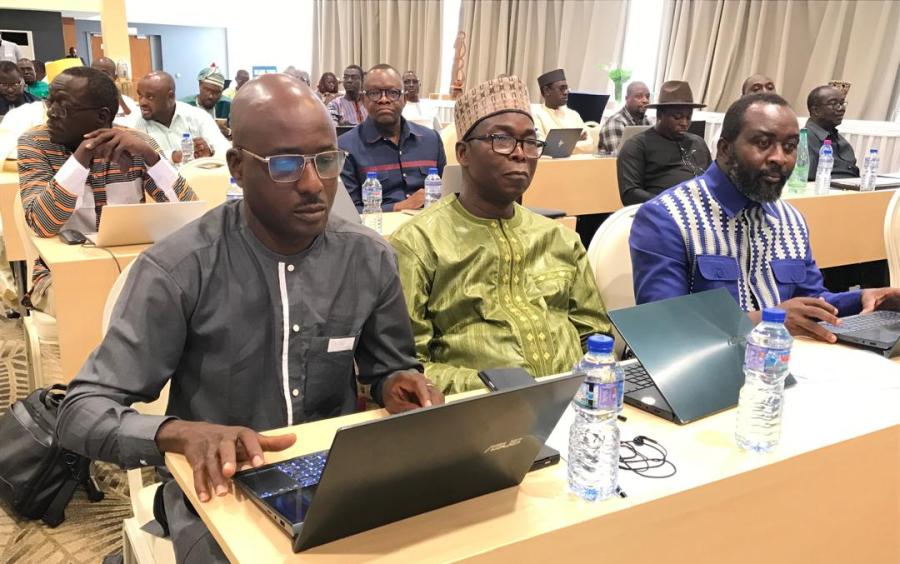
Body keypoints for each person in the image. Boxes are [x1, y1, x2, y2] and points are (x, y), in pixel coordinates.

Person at [56, 73, 442, 563]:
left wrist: (397, 384)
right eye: (285, 165)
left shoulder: (368, 257)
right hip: (220, 487)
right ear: (238, 167)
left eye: (326, 161)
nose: (313, 185)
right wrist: (180, 433)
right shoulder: (181, 267)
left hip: (338, 476)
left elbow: (391, 367)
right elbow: (81, 411)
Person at [389, 76, 612, 393]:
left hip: (576, 405)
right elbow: (406, 369)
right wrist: (496, 387)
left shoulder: (559, 238)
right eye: (502, 139)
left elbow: (596, 336)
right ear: (463, 153)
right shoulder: (418, 243)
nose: (520, 154)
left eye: (530, 142)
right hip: (478, 413)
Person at [630, 92, 900, 342]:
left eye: (790, 146)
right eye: (763, 143)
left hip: (782, 363)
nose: (780, 158)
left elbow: (811, 301)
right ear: (724, 149)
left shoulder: (791, 220)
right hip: (703, 370)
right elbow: (665, 326)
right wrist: (770, 321)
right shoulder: (667, 217)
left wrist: (864, 298)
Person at [16, 67, 196, 314]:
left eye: (63, 106)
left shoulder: (136, 145)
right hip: (58, 275)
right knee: (94, 305)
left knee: (184, 298)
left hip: (134, 269)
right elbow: (42, 223)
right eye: (50, 102)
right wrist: (81, 158)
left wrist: (151, 158)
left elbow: (190, 215)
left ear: (102, 116)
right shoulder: (35, 144)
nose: (52, 113)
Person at [339, 64, 445, 212]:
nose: (384, 100)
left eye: (393, 93)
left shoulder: (431, 140)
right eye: (374, 93)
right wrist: (398, 207)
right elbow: (348, 211)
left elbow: (448, 194)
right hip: (377, 225)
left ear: (404, 98)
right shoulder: (345, 147)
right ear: (363, 99)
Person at [616, 80, 711, 205]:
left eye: (688, 117)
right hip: (660, 211)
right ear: (660, 115)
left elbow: (712, 180)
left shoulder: (698, 142)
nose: (684, 123)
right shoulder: (637, 145)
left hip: (703, 210)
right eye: (677, 117)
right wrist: (670, 204)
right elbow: (630, 194)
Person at [134, 71, 230, 163]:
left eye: (150, 97)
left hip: (199, 173)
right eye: (140, 95)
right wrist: (175, 156)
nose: (142, 102)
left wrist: (210, 153)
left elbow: (225, 151)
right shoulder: (136, 124)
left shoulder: (197, 116)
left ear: (170, 96)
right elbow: (142, 162)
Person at [532, 68, 594, 154]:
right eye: (561, 89)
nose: (566, 92)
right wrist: (575, 141)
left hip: (577, 161)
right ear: (547, 91)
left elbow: (590, 145)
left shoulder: (573, 115)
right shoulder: (536, 114)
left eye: (566, 88)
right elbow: (542, 149)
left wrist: (561, 146)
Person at [805, 85, 859, 180]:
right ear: (816, 110)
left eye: (842, 103)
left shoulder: (841, 140)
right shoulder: (804, 140)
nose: (841, 108)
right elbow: (807, 180)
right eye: (833, 104)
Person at [598, 81, 651, 154]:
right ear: (627, 98)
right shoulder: (615, 122)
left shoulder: (647, 121)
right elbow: (621, 157)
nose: (645, 100)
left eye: (647, 96)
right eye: (639, 96)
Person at [91, 56, 140, 127]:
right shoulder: (82, 99)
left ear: (115, 77)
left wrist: (121, 101)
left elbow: (135, 122)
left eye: (104, 73)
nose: (98, 77)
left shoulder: (127, 101)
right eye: (94, 73)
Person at [183, 66, 231, 133]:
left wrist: (228, 132)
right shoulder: (184, 106)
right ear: (200, 85)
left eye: (216, 92)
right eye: (207, 90)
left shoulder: (228, 106)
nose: (211, 96)